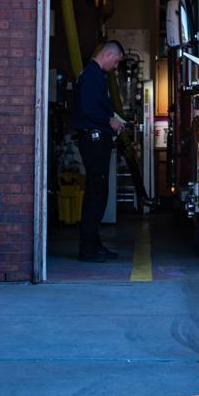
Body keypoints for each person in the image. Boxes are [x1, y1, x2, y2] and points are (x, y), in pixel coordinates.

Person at [72, 40, 125, 262]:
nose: (116, 67)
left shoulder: (94, 75)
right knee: (95, 194)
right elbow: (89, 107)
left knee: (99, 192)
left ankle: (94, 244)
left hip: (96, 138)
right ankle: (88, 249)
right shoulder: (92, 75)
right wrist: (109, 120)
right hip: (93, 139)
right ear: (108, 54)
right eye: (116, 62)